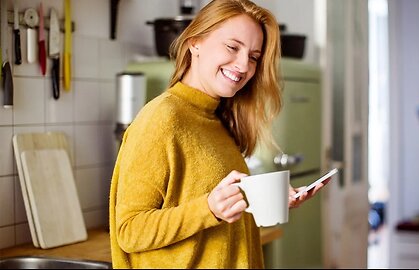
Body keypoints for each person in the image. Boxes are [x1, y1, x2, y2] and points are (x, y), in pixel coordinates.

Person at [109, 0, 329, 268]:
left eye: (253, 57)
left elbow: (210, 202)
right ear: (195, 42)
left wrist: (264, 196)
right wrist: (208, 209)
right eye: (232, 47)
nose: (243, 65)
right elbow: (130, 231)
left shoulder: (216, 119)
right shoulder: (162, 118)